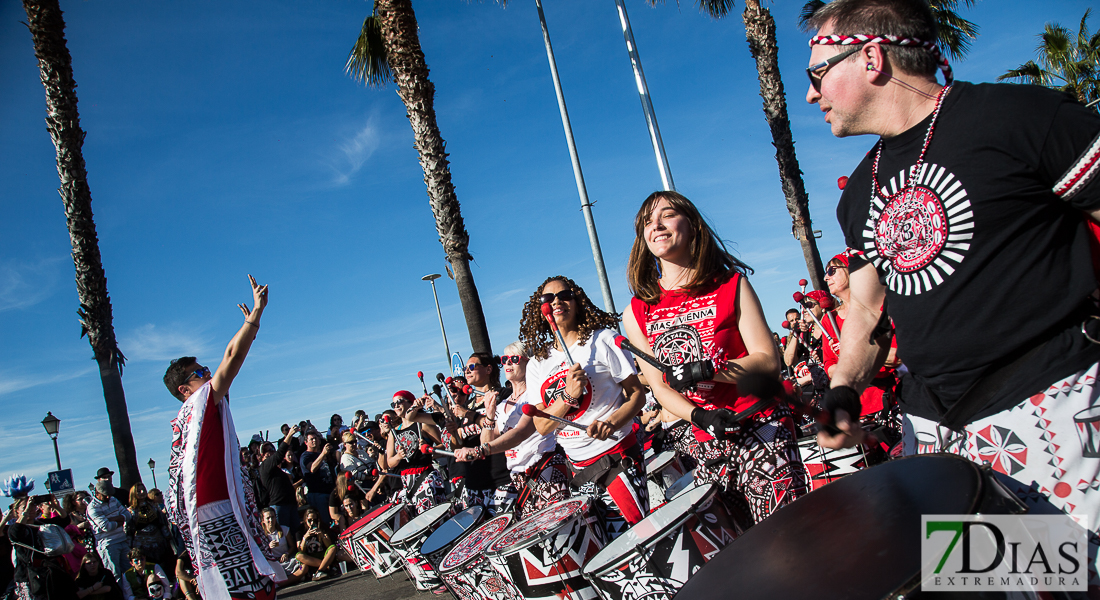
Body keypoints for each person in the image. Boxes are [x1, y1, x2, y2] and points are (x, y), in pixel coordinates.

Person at [804, 0, 1100, 583]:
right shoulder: (857, 191)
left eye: (816, 76)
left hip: (1055, 406)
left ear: (870, 57)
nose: (813, 96)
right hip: (939, 439)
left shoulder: (1020, 117)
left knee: (1084, 574)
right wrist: (842, 388)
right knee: (992, 589)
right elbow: (865, 309)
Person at [623, 191, 807, 526]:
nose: (657, 226)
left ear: (692, 226)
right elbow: (662, 390)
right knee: (738, 547)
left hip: (759, 421)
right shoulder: (636, 312)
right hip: (707, 437)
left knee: (785, 534)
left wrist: (706, 369)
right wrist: (699, 418)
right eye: (647, 222)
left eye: (667, 215)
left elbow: (768, 361)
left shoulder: (731, 284)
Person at [163, 275, 281, 599]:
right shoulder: (200, 405)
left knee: (238, 589)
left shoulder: (183, 423)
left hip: (205, 514)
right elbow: (232, 357)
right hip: (218, 510)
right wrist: (255, 316)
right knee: (255, 589)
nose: (208, 374)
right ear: (184, 390)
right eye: (200, 372)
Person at [520, 276, 649, 540]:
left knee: (637, 540)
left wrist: (611, 423)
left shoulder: (603, 341)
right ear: (541, 310)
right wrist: (568, 396)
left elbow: (638, 395)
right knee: (607, 553)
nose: (557, 301)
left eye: (565, 295)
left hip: (616, 458)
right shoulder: (536, 364)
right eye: (548, 298)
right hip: (578, 471)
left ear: (577, 301)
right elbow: (543, 425)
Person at [454, 341, 571, 519]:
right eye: (505, 359)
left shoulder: (535, 395)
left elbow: (520, 433)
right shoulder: (502, 405)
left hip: (544, 467)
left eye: (514, 358)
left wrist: (478, 451)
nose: (508, 363)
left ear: (528, 362)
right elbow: (486, 441)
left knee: (558, 527)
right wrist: (491, 415)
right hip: (518, 477)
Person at [386, 391, 448, 514]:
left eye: (400, 401)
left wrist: (429, 450)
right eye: (393, 404)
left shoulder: (423, 424)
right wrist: (398, 457)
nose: (396, 406)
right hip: (406, 481)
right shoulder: (393, 433)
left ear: (411, 402)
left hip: (426, 476)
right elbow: (389, 463)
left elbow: (445, 445)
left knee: (433, 517)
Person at [8, 496, 79, 600]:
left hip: (50, 571)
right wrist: (26, 511)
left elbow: (64, 520)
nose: (30, 509)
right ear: (17, 511)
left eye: (32, 506)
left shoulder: (41, 524)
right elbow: (16, 532)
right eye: (25, 507)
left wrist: (56, 507)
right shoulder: (14, 528)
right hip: (30, 575)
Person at [88, 479, 132, 582]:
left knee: (130, 572)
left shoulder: (113, 500)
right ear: (97, 493)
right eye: (105, 495)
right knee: (115, 575)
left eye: (109, 494)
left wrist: (112, 519)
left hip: (122, 540)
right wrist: (120, 520)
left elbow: (128, 515)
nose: (108, 497)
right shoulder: (93, 508)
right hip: (108, 544)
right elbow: (106, 526)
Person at [260, 426, 301, 535]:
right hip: (280, 506)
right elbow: (279, 455)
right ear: (261, 455)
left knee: (296, 532)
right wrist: (290, 435)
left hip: (289, 504)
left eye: (272, 449)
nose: (270, 452)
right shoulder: (265, 465)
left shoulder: (276, 469)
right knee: (285, 535)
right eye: (266, 451)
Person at [126, 483, 171, 576]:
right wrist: (130, 547)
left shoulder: (153, 505)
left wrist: (167, 536)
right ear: (134, 494)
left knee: (165, 566)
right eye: (138, 491)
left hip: (159, 542)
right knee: (150, 569)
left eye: (143, 490)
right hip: (142, 545)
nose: (142, 492)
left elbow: (162, 522)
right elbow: (129, 531)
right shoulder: (131, 511)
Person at [259, 508, 303, 586]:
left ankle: (284, 582)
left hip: (287, 561)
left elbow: (292, 546)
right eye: (268, 518)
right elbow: (260, 555)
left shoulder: (284, 529)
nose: (271, 520)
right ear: (263, 520)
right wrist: (268, 548)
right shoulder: (261, 535)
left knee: (303, 567)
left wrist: (286, 553)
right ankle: (291, 579)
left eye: (272, 517)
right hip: (274, 564)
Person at [294, 508, 339, 582]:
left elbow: (329, 545)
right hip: (310, 558)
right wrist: (305, 538)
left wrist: (322, 536)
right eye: (309, 520)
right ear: (305, 520)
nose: (312, 523)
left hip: (323, 555)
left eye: (314, 520)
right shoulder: (300, 530)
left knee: (333, 548)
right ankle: (325, 567)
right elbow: (300, 550)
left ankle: (319, 571)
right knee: (299, 555)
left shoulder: (323, 527)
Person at [299, 431, 337, 517]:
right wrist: (323, 454)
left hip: (329, 490)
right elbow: (312, 468)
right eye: (311, 439)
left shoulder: (319, 454)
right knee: (325, 519)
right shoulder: (305, 456)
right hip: (318, 493)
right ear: (306, 442)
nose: (314, 441)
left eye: (315, 438)